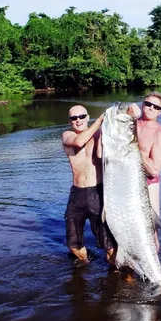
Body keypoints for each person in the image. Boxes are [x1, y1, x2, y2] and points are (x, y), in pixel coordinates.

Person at [62, 104, 115, 264]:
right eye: (74, 118)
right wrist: (100, 120)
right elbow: (79, 142)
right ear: (70, 121)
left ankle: (115, 273)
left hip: (97, 192)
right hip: (77, 193)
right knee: (73, 244)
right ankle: (86, 261)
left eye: (82, 116)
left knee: (109, 244)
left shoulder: (100, 134)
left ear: (87, 117)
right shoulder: (67, 135)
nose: (78, 120)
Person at [128, 92, 161, 252]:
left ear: (160, 112)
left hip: (148, 184)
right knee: (128, 227)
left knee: (150, 230)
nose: (151, 108)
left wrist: (133, 146)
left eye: (156, 106)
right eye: (147, 104)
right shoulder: (130, 123)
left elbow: (154, 169)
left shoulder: (160, 133)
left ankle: (154, 271)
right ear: (142, 104)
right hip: (127, 181)